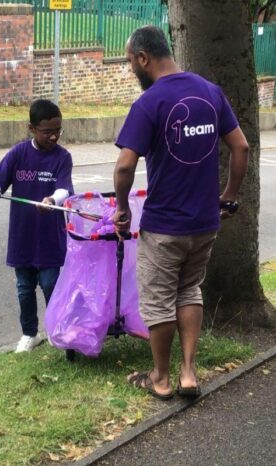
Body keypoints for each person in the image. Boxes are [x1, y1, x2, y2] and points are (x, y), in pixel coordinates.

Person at [112, 26, 249, 400]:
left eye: (129, 62)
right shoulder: (210, 91)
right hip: (205, 223)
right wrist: (229, 197)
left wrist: (122, 208)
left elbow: (124, 167)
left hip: (164, 224)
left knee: (158, 300)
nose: (130, 69)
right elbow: (241, 147)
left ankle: (160, 377)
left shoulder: (149, 102)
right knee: (189, 290)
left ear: (143, 58)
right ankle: (188, 373)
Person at [0, 99, 74, 353]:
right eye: (47, 131)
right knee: (24, 288)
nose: (54, 136)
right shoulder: (18, 154)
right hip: (22, 236)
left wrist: (52, 200)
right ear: (31, 129)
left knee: (50, 285)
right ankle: (29, 334)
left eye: (58, 130)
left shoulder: (62, 157)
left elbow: (64, 189)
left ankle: (58, 330)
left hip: (50, 238)